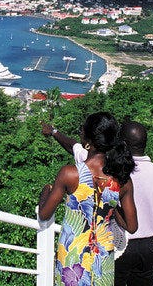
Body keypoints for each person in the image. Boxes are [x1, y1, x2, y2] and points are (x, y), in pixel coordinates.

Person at [43, 119, 153, 286]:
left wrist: (54, 132)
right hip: (146, 247)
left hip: (111, 247)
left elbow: (74, 146)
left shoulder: (94, 167)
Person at [38, 112, 138, 285]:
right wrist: (110, 207)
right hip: (103, 256)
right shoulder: (122, 181)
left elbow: (44, 214)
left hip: (72, 254)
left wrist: (46, 191)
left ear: (88, 141)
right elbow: (132, 226)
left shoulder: (70, 174)